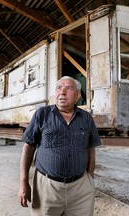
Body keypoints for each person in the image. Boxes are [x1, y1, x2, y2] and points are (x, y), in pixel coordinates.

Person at [18, 76, 102, 216]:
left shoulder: (86, 118)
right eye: (59, 88)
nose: (62, 92)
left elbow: (91, 148)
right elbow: (28, 147)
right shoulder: (42, 114)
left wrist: (90, 178)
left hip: (80, 189)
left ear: (78, 95)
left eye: (68, 88)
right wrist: (23, 183)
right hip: (47, 188)